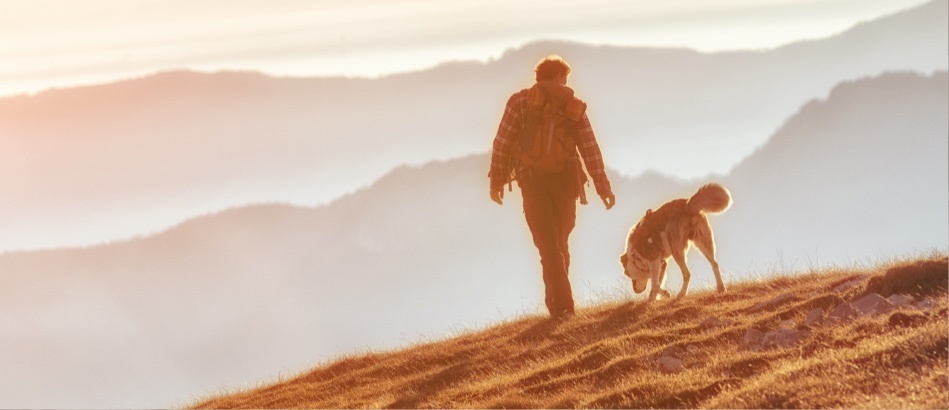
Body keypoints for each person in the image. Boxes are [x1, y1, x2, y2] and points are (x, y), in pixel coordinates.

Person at [488, 54, 616, 319]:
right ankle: (562, 305)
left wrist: (497, 180)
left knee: (548, 245)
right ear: (557, 76)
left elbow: (502, 142)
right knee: (560, 242)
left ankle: (560, 306)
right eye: (564, 79)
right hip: (566, 181)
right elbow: (589, 148)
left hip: (532, 181)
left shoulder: (520, 101)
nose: (565, 84)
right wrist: (602, 186)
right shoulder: (572, 105)